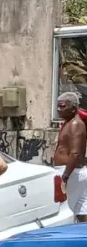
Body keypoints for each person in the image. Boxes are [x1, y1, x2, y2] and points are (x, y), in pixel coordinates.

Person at [53, 92, 87, 222]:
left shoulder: (75, 124)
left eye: (62, 106)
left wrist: (65, 177)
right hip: (76, 172)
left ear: (73, 109)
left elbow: (76, 153)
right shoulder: (70, 122)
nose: (58, 109)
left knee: (63, 210)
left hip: (71, 173)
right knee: (82, 210)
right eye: (57, 106)